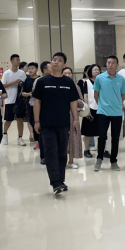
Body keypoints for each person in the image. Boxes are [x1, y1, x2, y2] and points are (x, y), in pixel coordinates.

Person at [33, 53, 79, 195]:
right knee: (50, 152)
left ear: (64, 64)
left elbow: (73, 102)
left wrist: (76, 120)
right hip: (46, 123)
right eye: (54, 60)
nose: (56, 62)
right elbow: (37, 102)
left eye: (59, 60)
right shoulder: (42, 81)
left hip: (63, 123)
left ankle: (60, 180)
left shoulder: (68, 82)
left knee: (62, 153)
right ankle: (55, 182)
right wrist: (36, 121)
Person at [93, 56, 125, 172]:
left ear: (117, 65)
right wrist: (102, 105)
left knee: (115, 137)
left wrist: (116, 103)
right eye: (108, 62)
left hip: (117, 112)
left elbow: (123, 95)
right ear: (106, 64)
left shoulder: (121, 79)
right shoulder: (99, 78)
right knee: (102, 136)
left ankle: (113, 161)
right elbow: (96, 94)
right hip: (103, 112)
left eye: (113, 63)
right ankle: (99, 159)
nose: (110, 65)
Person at [1, 54, 27, 146]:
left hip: (19, 100)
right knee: (9, 119)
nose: (18, 61)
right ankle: (4, 135)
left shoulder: (22, 73)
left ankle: (20, 137)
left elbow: (25, 84)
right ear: (12, 61)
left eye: (19, 59)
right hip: (9, 100)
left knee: (20, 119)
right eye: (16, 60)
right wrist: (13, 82)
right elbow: (2, 85)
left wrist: (21, 84)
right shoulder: (7, 73)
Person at [63, 66, 84, 169]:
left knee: (73, 137)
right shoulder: (59, 86)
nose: (67, 75)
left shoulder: (76, 87)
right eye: (65, 73)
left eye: (69, 73)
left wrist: (75, 102)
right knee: (62, 138)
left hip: (73, 115)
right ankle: (61, 161)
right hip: (60, 115)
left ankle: (71, 161)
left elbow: (81, 101)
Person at [81, 64, 101, 158]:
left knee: (101, 131)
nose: (97, 71)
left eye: (98, 70)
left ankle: (102, 149)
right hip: (90, 108)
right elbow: (85, 95)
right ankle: (86, 149)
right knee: (88, 131)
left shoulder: (102, 81)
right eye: (94, 70)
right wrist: (87, 109)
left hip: (101, 108)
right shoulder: (87, 82)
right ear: (90, 72)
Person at [22, 62, 39, 143]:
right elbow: (22, 93)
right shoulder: (27, 80)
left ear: (37, 69)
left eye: (32, 68)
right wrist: (29, 94)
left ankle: (39, 138)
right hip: (29, 103)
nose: (30, 70)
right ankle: (33, 135)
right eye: (29, 68)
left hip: (39, 103)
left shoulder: (40, 79)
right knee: (31, 120)